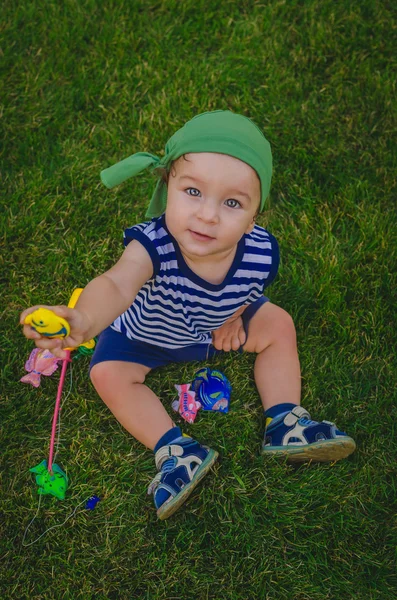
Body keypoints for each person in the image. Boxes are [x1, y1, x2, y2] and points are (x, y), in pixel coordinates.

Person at [20, 110, 356, 520]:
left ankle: (285, 420)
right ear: (168, 187)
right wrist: (85, 320)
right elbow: (117, 283)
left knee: (279, 324)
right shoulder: (152, 246)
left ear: (254, 218)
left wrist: (237, 315)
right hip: (145, 337)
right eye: (193, 192)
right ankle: (176, 450)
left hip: (211, 330)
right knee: (107, 373)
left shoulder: (261, 253)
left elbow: (251, 290)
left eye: (232, 202)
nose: (208, 215)